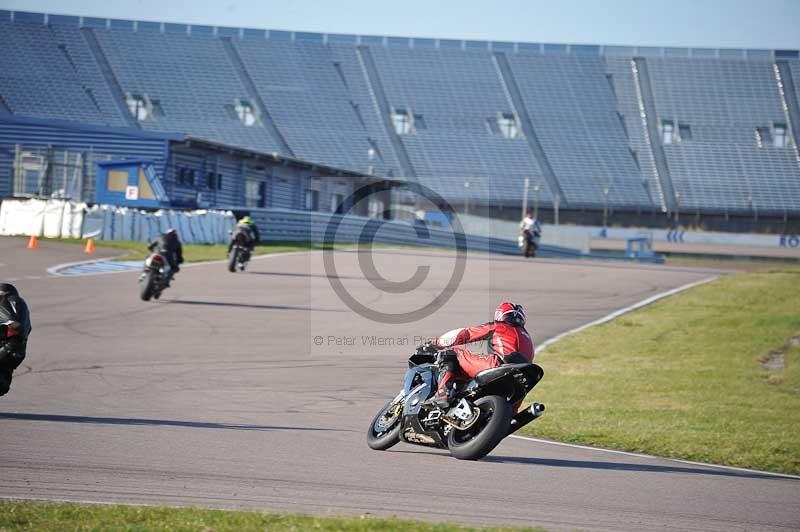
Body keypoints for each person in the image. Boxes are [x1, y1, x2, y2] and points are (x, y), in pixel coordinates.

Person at [420, 301, 534, 409]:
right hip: (522, 379)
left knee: (451, 353)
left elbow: (465, 334)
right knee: (511, 413)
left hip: (497, 365)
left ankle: (443, 393)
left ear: (500, 315)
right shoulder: (529, 341)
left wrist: (436, 343)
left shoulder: (499, 326)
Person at [0, 283, 32, 397]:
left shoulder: (13, 309)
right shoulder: (19, 308)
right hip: (12, 353)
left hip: (10, 352)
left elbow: (17, 328)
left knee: (2, 385)